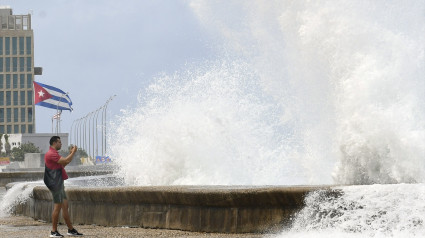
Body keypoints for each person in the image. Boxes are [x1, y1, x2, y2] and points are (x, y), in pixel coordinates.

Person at [44, 136, 83, 237]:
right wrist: (73, 152)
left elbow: (64, 163)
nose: (61, 144)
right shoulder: (51, 154)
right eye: (59, 142)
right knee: (57, 207)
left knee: (65, 206)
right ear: (54, 143)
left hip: (58, 183)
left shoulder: (54, 154)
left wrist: (71, 154)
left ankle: (70, 230)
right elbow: (65, 160)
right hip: (55, 183)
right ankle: (53, 231)